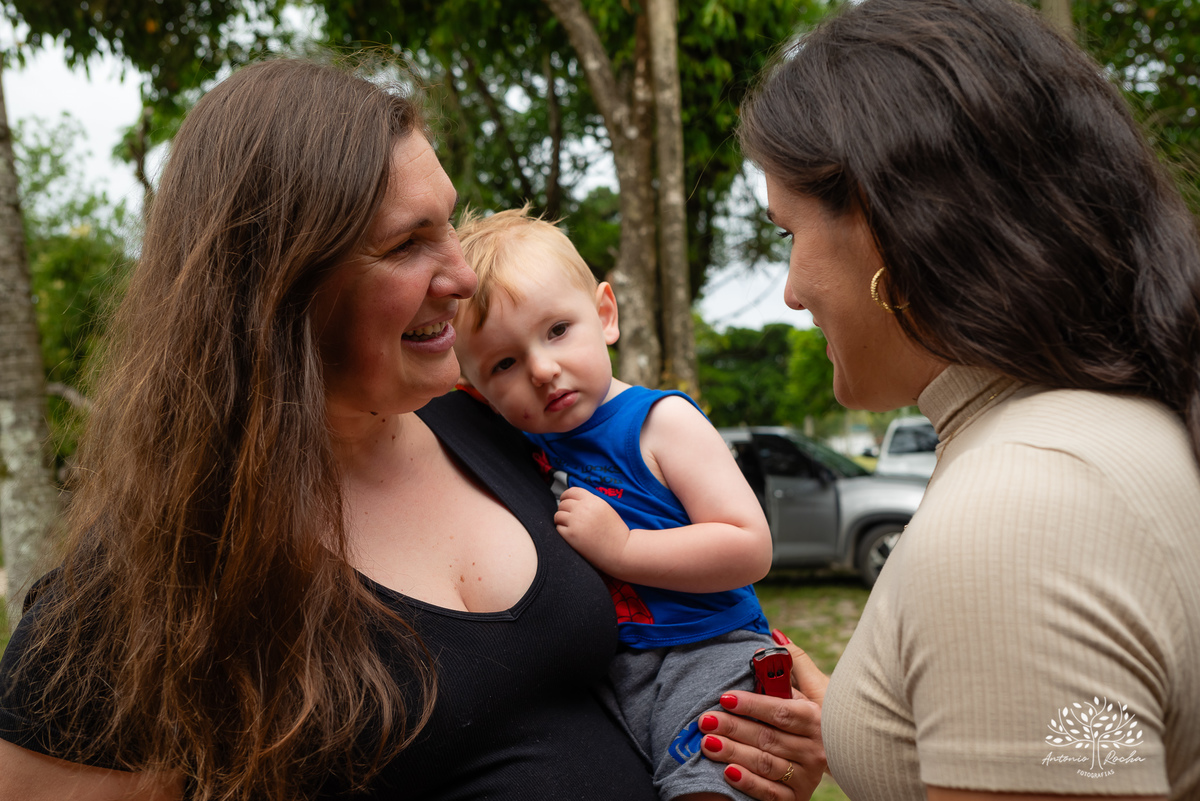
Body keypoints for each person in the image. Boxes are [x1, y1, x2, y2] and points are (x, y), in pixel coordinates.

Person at [0, 57, 825, 801]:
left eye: (450, 224)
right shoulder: (137, 590)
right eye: (408, 243)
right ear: (281, 290)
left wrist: (776, 730)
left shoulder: (506, 430)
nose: (464, 275)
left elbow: (704, 610)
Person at [723, 0, 1200, 799]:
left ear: (881, 222)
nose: (792, 291)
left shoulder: (1019, 511)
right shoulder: (1112, 426)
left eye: (787, 234)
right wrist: (879, 724)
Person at [450, 206, 775, 801]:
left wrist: (624, 548)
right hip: (613, 670)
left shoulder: (659, 422)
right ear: (476, 391)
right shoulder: (522, 445)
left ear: (604, 314)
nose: (543, 370)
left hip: (706, 650)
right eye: (505, 363)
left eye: (556, 331)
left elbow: (749, 546)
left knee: (707, 787)